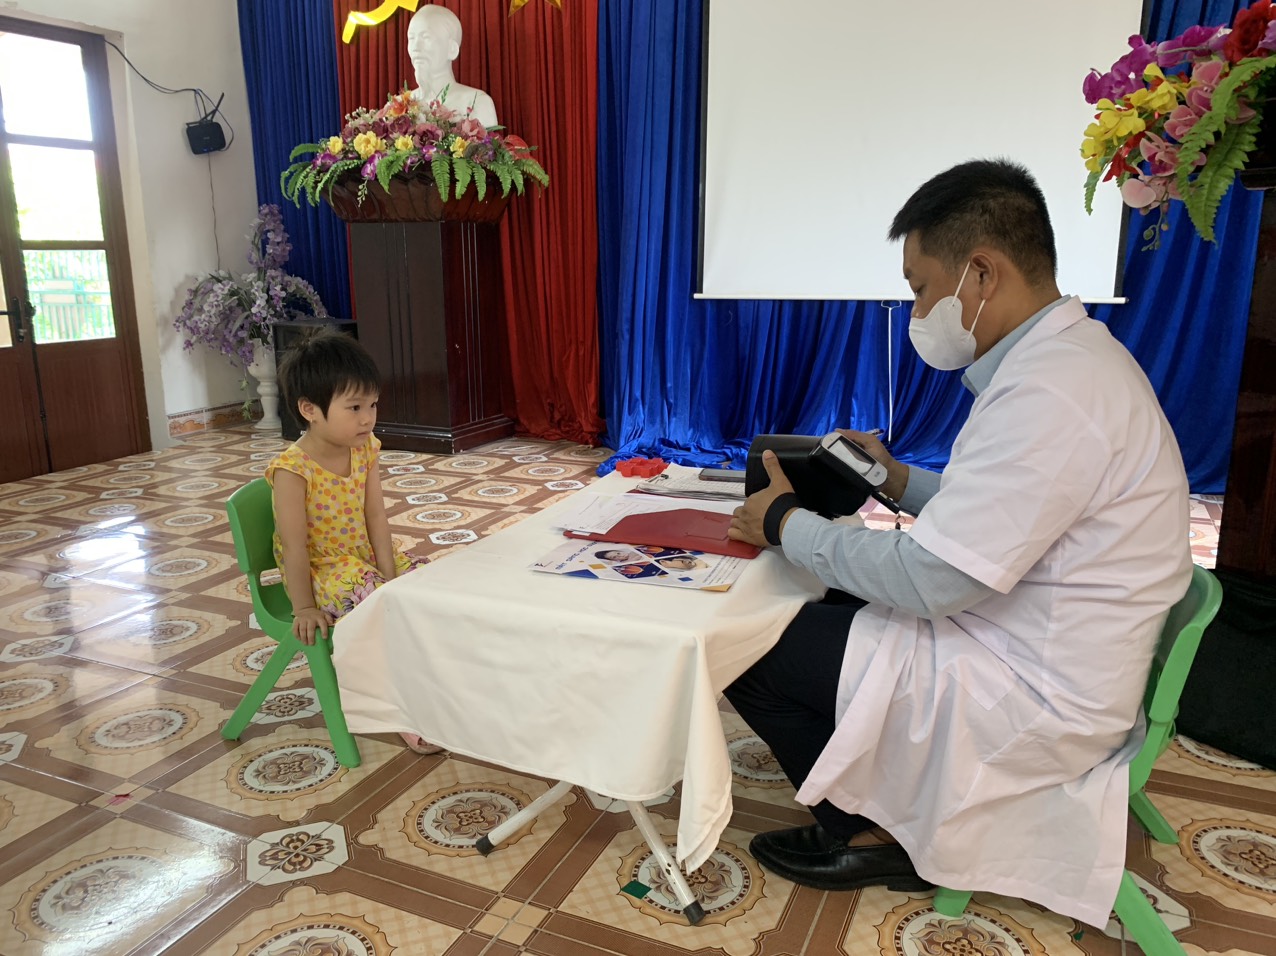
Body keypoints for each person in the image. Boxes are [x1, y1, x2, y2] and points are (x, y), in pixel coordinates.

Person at [725, 159, 1191, 927]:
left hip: (1034, 692)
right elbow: (1008, 517)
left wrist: (782, 523)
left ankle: (872, 833)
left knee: (750, 648)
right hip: (1041, 638)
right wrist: (898, 480)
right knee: (825, 597)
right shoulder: (1069, 361)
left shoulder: (1052, 392)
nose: (916, 311)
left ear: (980, 273)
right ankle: (874, 776)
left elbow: (933, 580)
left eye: (920, 288)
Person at [267, 330, 442, 756]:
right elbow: (294, 548)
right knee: (382, 607)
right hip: (321, 571)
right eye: (355, 407)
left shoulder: (364, 449)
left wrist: (389, 575)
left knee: (430, 584)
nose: (368, 419)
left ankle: (436, 689)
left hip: (361, 559)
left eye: (373, 405)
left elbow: (376, 516)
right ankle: (400, 710)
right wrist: (304, 607)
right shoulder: (292, 470)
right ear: (309, 410)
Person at [406, 5, 498, 128]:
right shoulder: (397, 107)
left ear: (452, 49)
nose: (415, 47)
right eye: (411, 38)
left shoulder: (476, 102)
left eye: (426, 37)